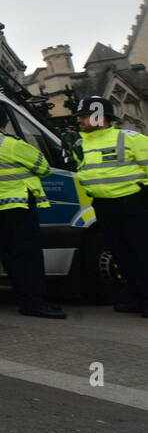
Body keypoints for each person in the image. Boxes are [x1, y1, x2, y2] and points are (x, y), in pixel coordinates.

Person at [0, 101, 65, 319]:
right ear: (4, 123)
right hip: (17, 206)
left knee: (10, 256)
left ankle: (24, 300)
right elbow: (44, 167)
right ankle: (36, 303)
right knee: (28, 256)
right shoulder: (11, 144)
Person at [72, 95, 148, 317]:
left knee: (141, 252)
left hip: (134, 203)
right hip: (104, 206)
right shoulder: (80, 143)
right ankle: (135, 296)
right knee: (120, 253)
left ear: (99, 116)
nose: (80, 121)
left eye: (84, 116)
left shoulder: (130, 138)